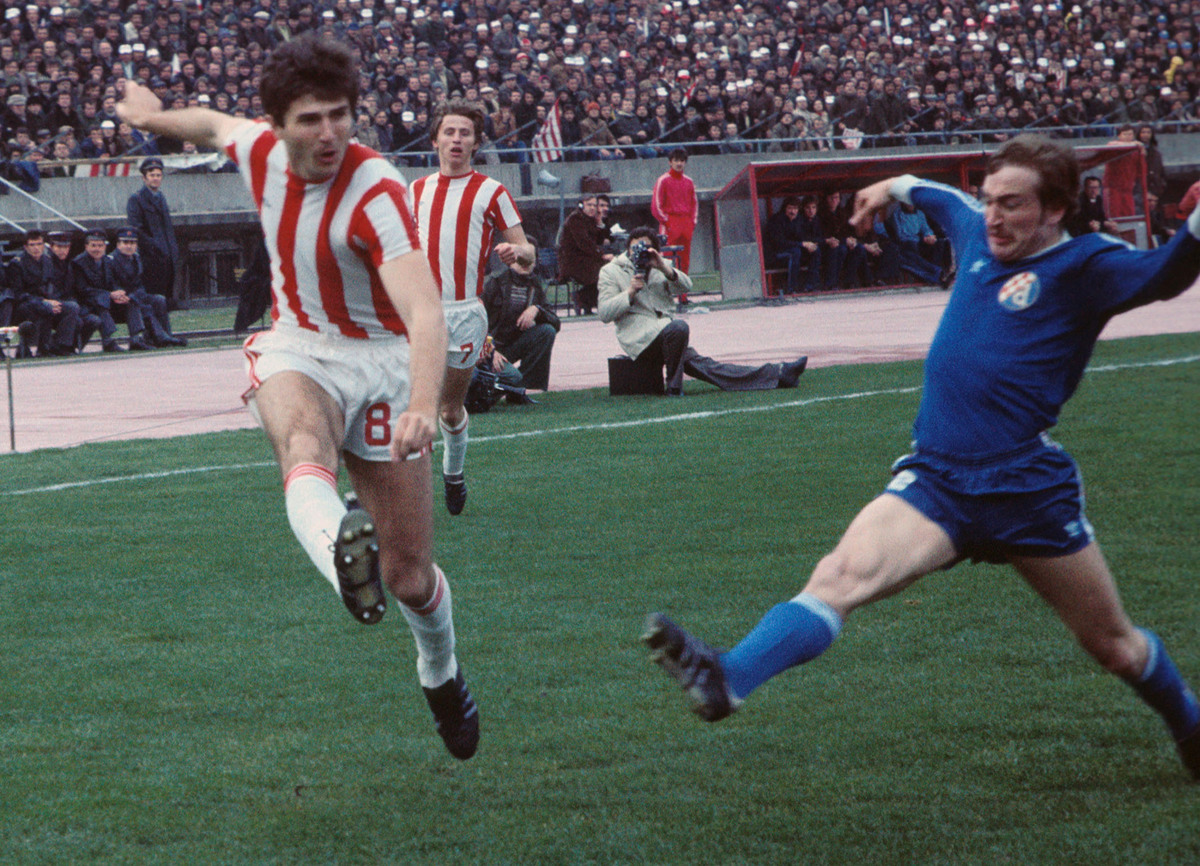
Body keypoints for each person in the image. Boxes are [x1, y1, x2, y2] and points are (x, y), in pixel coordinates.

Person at [642, 134, 1200, 781]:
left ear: (1055, 209)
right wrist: (890, 186)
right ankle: (729, 676)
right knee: (839, 576)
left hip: (1025, 488)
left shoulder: (1086, 265)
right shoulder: (976, 232)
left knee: (1115, 648)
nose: (993, 215)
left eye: (1012, 204)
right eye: (989, 200)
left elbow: (1167, 273)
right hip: (938, 479)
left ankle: (1188, 723)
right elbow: (937, 197)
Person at [117, 35, 480, 760]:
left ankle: (439, 672)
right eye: (310, 119)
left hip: (378, 362)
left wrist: (418, 401)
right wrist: (152, 117)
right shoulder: (259, 152)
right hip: (298, 345)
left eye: (340, 115)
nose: (329, 133)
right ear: (279, 123)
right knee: (302, 445)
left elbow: (425, 313)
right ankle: (341, 561)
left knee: (409, 577)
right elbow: (212, 123)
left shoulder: (375, 190)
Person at [408, 98, 534, 517]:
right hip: (420, 313)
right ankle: (406, 494)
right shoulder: (416, 190)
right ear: (435, 139)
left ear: (476, 143)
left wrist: (519, 256)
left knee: (448, 407)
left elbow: (528, 250)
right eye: (449, 131)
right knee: (412, 405)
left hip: (463, 313)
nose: (456, 139)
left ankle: (454, 473)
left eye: (465, 132)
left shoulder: (491, 191)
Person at [598, 227, 807, 397]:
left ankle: (779, 373)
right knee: (679, 327)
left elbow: (686, 287)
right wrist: (629, 292)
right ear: (627, 248)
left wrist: (663, 267)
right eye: (636, 248)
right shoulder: (611, 271)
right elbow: (605, 313)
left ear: (655, 250)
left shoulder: (661, 265)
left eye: (646, 248)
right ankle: (674, 387)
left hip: (668, 336)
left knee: (709, 367)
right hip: (639, 340)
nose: (640, 253)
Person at [480, 253, 558, 392]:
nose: (525, 263)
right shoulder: (495, 282)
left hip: (513, 345)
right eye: (521, 258)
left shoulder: (535, 284)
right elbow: (476, 321)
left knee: (546, 331)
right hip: (490, 348)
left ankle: (527, 388)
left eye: (530, 259)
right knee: (512, 377)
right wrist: (488, 348)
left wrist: (537, 310)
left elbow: (555, 322)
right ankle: (510, 385)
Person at [6, 229, 81, 357]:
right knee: (43, 308)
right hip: (25, 304)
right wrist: (44, 302)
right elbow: (18, 293)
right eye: (32, 245)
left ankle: (58, 345)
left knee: (72, 307)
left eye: (39, 244)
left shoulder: (47, 261)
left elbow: (49, 286)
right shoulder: (17, 263)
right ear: (26, 246)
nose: (36, 248)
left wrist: (52, 301)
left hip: (45, 301)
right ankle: (35, 348)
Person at [70, 229, 148, 352]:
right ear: (86, 246)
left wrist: (119, 293)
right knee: (101, 302)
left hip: (106, 301)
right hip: (87, 304)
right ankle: (108, 341)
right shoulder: (78, 263)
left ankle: (136, 339)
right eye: (93, 245)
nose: (97, 249)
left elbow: (113, 283)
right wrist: (109, 295)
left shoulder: (107, 261)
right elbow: (83, 290)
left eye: (100, 245)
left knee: (129, 301)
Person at [108, 228, 187, 347]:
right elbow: (111, 284)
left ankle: (166, 335)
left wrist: (135, 296)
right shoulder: (110, 260)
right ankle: (157, 338)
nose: (129, 246)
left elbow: (139, 285)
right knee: (137, 304)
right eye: (125, 243)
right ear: (118, 244)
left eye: (132, 243)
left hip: (134, 298)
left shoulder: (136, 258)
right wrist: (127, 296)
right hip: (117, 303)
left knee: (159, 299)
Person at [126, 156, 180, 305]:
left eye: (158, 175)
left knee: (166, 300)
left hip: (167, 257)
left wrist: (172, 251)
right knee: (153, 300)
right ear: (144, 178)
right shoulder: (136, 199)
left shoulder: (160, 197)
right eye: (152, 175)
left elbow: (167, 228)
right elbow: (136, 228)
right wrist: (155, 247)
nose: (155, 179)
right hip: (150, 258)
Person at [650, 148, 698, 308]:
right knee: (666, 261)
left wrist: (691, 223)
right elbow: (656, 206)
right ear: (670, 162)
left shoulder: (689, 182)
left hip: (685, 224)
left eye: (682, 161)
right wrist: (667, 222)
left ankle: (683, 296)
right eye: (676, 160)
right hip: (669, 225)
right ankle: (665, 296)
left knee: (684, 261)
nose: (679, 163)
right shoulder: (663, 180)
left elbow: (694, 204)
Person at [46, 231, 101, 352]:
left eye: (66, 247)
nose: (63, 250)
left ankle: (67, 345)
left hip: (70, 305)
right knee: (73, 309)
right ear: (51, 247)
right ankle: (62, 347)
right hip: (51, 306)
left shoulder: (69, 264)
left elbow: (74, 290)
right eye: (59, 246)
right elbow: (47, 291)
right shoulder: (46, 263)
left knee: (93, 320)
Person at [557, 194, 610, 315]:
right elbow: (583, 243)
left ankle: (585, 300)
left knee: (607, 268)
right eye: (589, 205)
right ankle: (582, 298)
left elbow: (600, 241)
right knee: (602, 270)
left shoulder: (590, 220)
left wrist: (600, 223)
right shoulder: (575, 219)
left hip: (587, 259)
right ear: (581, 205)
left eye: (594, 205)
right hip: (573, 262)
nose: (592, 208)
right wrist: (601, 255)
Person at [763, 196, 823, 294]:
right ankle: (792, 288)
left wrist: (811, 244)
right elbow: (779, 243)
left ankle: (810, 286)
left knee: (815, 250)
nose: (793, 212)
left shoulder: (799, 220)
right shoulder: (776, 220)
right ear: (784, 208)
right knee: (795, 252)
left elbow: (803, 238)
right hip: (776, 255)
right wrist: (802, 244)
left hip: (795, 251)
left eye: (795, 209)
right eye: (790, 208)